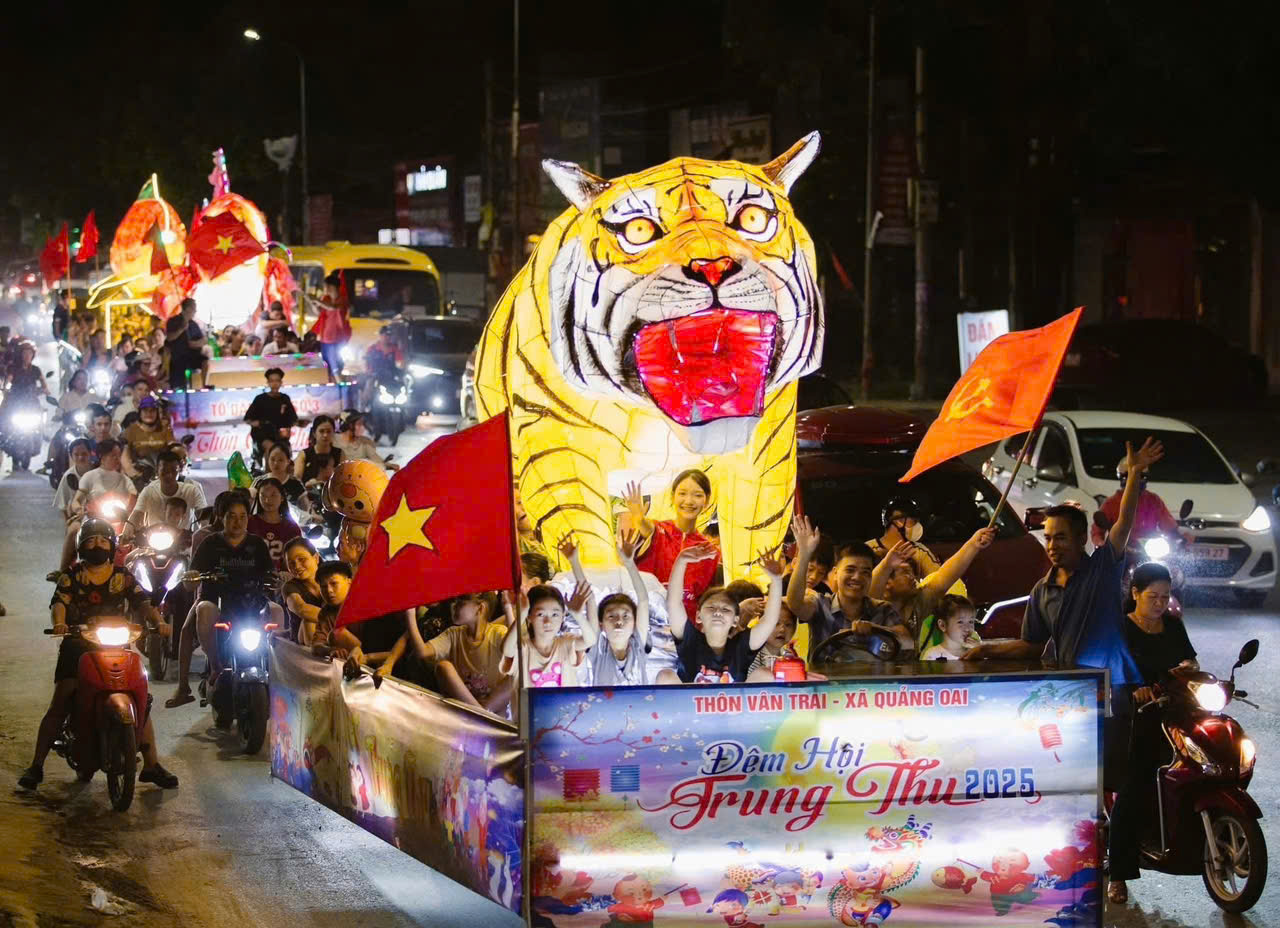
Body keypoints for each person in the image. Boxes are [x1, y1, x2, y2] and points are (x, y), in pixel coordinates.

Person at [17, 519, 178, 791]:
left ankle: (151, 764)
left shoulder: (123, 575)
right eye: (91, 540)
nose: (97, 545)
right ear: (81, 546)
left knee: (140, 697)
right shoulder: (71, 576)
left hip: (117, 644)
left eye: (103, 541)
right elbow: (60, 603)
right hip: (78, 644)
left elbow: (142, 602)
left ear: (112, 545)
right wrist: (60, 622)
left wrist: (157, 621)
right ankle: (37, 764)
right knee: (64, 695)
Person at [1106, 561, 1198, 903]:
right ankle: (1118, 873)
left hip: (1174, 711)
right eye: (1152, 596)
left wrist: (1189, 669)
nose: (1159, 603)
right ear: (1134, 594)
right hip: (1136, 718)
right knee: (1133, 787)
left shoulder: (1173, 626)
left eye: (1165, 596)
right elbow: (1112, 671)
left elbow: (1190, 662)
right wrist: (1135, 689)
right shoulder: (1121, 630)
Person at [167, 495, 280, 708]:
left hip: (250, 604)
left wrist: (277, 581)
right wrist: (190, 579)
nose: (237, 522)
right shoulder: (210, 543)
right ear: (221, 517)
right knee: (191, 624)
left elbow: (270, 574)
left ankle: (278, 675)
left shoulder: (257, 544)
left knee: (278, 613)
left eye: (242, 516)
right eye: (231, 517)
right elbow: (193, 578)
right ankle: (200, 676)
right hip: (215, 601)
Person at [565, 530, 679, 687]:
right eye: (611, 616)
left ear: (635, 623)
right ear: (600, 624)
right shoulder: (598, 647)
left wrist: (629, 563)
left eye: (626, 617)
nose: (619, 621)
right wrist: (574, 562)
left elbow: (643, 600)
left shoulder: (639, 644)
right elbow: (590, 599)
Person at [787, 514, 909, 660]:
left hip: (873, 681)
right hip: (827, 681)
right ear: (835, 573)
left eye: (865, 572)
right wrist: (805, 555)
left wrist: (875, 629)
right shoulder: (820, 605)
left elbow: (907, 642)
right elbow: (795, 603)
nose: (857, 577)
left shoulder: (883, 610)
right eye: (850, 570)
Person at [668, 545, 784, 684]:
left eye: (726, 610)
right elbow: (674, 603)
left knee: (764, 674)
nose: (718, 612)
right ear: (698, 616)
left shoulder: (741, 646)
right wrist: (681, 561)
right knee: (666, 675)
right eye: (711, 607)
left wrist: (777, 580)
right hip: (690, 704)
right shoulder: (691, 641)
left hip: (734, 705)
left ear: (736, 620)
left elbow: (769, 621)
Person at [868, 527, 996, 647]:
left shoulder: (919, 603)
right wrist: (885, 566)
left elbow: (943, 578)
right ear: (887, 582)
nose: (913, 578)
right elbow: (871, 592)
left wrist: (973, 544)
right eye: (906, 573)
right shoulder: (871, 607)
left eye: (912, 572)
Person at [621, 470, 721, 623]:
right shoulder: (658, 531)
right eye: (682, 493)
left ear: (706, 502)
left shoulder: (710, 552)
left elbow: (706, 600)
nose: (689, 500)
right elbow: (647, 528)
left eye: (698, 495)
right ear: (672, 496)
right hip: (646, 623)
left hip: (684, 631)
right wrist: (639, 518)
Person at [399, 592, 512, 712]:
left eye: (460, 602)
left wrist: (508, 609)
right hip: (465, 703)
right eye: (454, 601)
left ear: (480, 608)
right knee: (443, 667)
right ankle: (481, 713)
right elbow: (423, 652)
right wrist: (410, 615)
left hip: (492, 705)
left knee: (517, 675)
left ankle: (484, 712)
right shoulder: (453, 634)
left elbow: (517, 650)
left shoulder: (497, 632)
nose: (453, 606)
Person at [500, 582, 595, 688]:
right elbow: (507, 650)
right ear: (529, 616)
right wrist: (521, 614)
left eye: (555, 614)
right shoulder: (523, 648)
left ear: (563, 615)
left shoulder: (566, 643)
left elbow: (590, 641)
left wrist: (578, 615)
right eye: (540, 614)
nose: (548, 622)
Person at [61, 439, 135, 569]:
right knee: (73, 531)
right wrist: (78, 508)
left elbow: (135, 497)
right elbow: (77, 500)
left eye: (119, 455)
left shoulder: (125, 479)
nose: (117, 459)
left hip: (119, 520)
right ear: (102, 456)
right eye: (113, 455)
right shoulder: (90, 476)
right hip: (92, 519)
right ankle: (62, 571)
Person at [1089, 458, 1190, 549]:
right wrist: (1101, 543)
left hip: (1149, 550)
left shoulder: (1153, 500)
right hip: (1121, 552)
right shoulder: (1111, 503)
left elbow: (1168, 525)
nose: (1136, 481)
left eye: (1141, 477)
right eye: (1132, 477)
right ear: (1123, 479)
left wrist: (1178, 537)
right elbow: (1097, 532)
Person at [122, 450, 207, 539]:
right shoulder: (149, 491)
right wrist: (129, 527)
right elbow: (137, 513)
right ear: (157, 471)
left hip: (184, 543)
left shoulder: (192, 491)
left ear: (179, 471)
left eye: (173, 471)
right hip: (152, 542)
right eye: (164, 471)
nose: (169, 475)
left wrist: (205, 533)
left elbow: (203, 517)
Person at [867, 496, 946, 580]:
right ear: (899, 521)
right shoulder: (868, 550)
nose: (918, 526)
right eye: (914, 521)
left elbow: (938, 580)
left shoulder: (920, 551)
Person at [248, 477, 302, 569]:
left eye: (273, 495)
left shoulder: (291, 527)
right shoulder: (249, 522)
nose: (267, 500)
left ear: (282, 498)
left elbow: (297, 556)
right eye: (263, 496)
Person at [243, 367, 299, 454]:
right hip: (263, 436)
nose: (275, 383)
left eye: (277, 380)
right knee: (272, 449)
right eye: (272, 381)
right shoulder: (260, 399)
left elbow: (292, 418)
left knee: (284, 451)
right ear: (268, 383)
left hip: (281, 437)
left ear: (281, 382)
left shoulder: (285, 398)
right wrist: (257, 423)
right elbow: (248, 419)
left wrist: (297, 423)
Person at [282, 538, 324, 644]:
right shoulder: (289, 587)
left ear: (316, 558)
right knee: (308, 620)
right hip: (302, 643)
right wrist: (338, 619)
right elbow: (302, 609)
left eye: (301, 559)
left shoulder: (331, 579)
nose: (296, 566)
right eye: (291, 563)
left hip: (330, 634)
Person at [121, 396, 175, 478]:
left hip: (162, 475)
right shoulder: (130, 431)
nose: (149, 414)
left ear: (157, 412)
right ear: (140, 412)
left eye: (152, 411)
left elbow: (173, 449)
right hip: (138, 476)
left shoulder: (165, 430)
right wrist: (134, 474)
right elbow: (124, 456)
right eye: (145, 411)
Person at [745, 604, 801, 681]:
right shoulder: (751, 654)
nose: (782, 629)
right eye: (776, 624)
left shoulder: (790, 656)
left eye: (788, 625)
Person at [310, 273, 350, 377]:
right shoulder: (326, 299)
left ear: (331, 286)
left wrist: (318, 301)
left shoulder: (343, 299)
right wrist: (314, 304)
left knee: (337, 365)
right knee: (326, 364)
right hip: (325, 338)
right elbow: (320, 312)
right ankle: (330, 383)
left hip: (337, 338)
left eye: (326, 286)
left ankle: (338, 384)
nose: (325, 288)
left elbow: (333, 308)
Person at [333, 410, 400, 470]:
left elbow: (376, 459)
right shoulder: (332, 441)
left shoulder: (365, 443)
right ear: (349, 425)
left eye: (363, 424)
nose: (363, 427)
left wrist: (389, 465)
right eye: (359, 424)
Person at [919, 595, 979, 660]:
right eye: (960, 622)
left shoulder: (974, 653)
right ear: (942, 625)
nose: (967, 628)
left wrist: (979, 651)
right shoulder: (932, 655)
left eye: (971, 621)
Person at [165, 298, 207, 388]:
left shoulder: (194, 324)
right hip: (178, 356)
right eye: (194, 309)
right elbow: (169, 338)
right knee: (179, 384)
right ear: (188, 309)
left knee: (205, 361)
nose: (195, 311)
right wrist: (181, 329)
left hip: (193, 354)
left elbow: (202, 340)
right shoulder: (173, 321)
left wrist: (197, 343)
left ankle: (204, 384)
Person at [52, 438, 95, 521]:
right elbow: (62, 504)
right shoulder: (69, 476)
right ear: (71, 456)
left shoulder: (98, 472)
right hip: (78, 518)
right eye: (76, 454)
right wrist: (68, 523)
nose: (80, 457)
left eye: (84, 454)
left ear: (90, 453)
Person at [295, 415, 343, 483]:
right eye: (321, 431)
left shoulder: (340, 453)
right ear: (314, 433)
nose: (325, 435)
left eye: (329, 431)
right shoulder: (304, 454)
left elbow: (344, 478)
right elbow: (297, 479)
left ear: (333, 433)